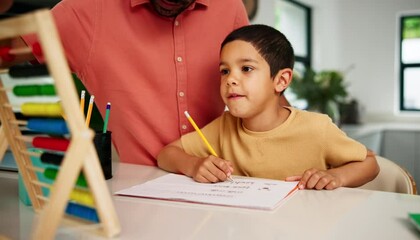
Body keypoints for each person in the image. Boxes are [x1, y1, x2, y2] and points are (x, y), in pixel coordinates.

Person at [1, 0, 250, 166]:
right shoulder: (90, 9)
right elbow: (8, 49)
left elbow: (264, 94)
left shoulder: (229, 7)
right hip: (133, 190)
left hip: (219, 182)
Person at [157, 24, 379, 190]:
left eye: (246, 68)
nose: (230, 79)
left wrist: (337, 177)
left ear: (281, 80)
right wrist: (194, 165)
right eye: (224, 71)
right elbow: (166, 154)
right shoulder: (224, 127)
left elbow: (370, 164)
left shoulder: (316, 127)